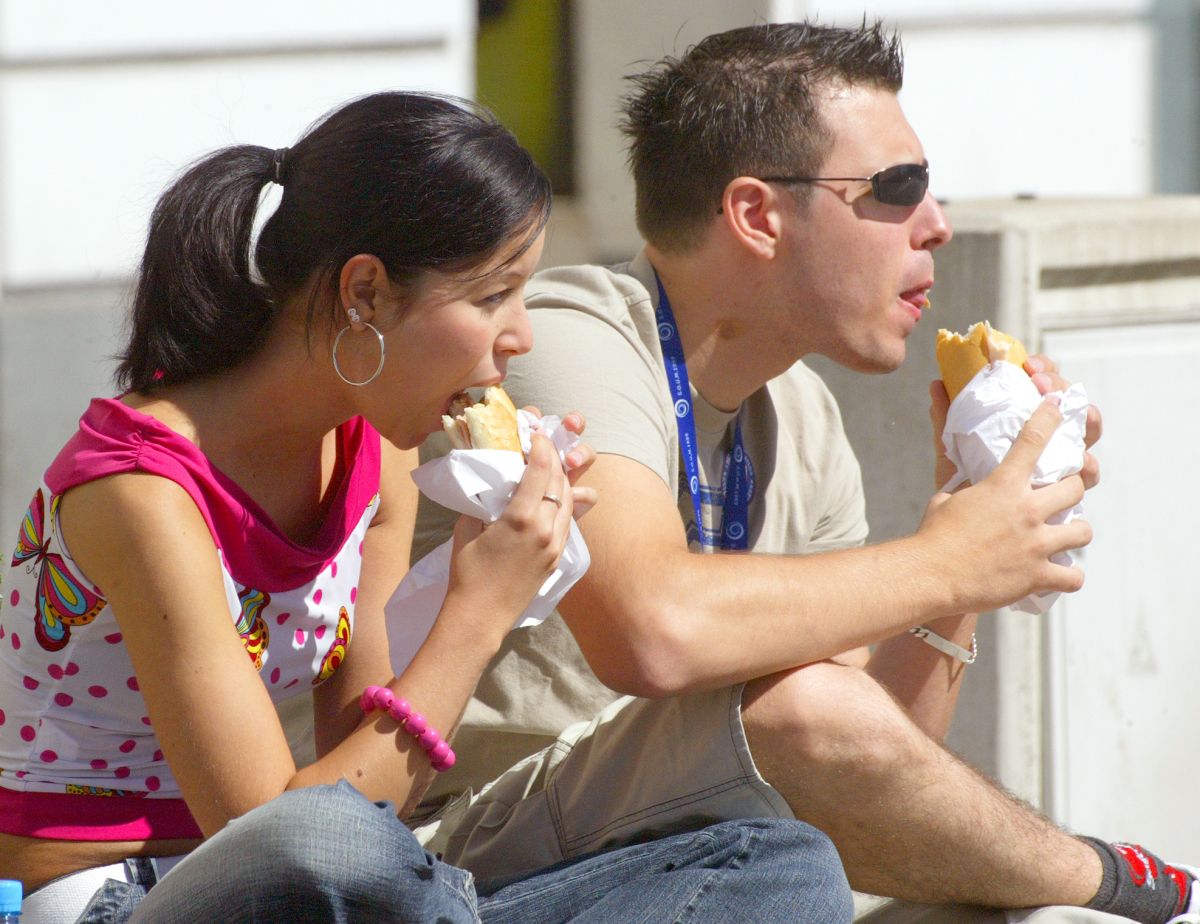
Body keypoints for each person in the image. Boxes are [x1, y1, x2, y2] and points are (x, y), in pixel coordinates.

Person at [407, 21, 1200, 924]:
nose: (936, 225)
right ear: (756, 215)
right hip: (473, 865)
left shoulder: (805, 415)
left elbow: (868, 771)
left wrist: (972, 518)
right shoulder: (566, 337)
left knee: (961, 905)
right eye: (898, 190)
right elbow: (655, 630)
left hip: (706, 858)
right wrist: (949, 560)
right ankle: (1125, 883)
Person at [0, 91, 854, 924]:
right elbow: (273, 839)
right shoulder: (143, 492)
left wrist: (489, 554)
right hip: (119, 896)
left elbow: (376, 793)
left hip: (344, 887)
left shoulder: (376, 451)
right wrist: (479, 609)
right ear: (365, 294)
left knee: (779, 862)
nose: (521, 335)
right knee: (334, 847)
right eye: (491, 296)